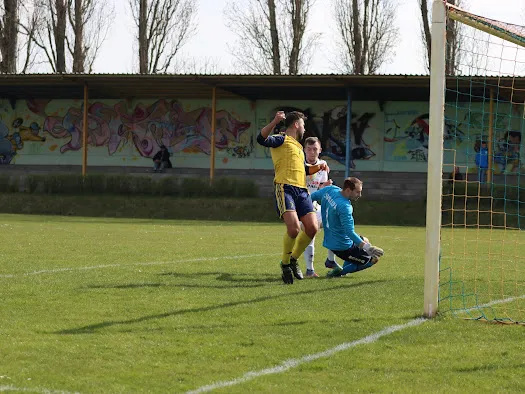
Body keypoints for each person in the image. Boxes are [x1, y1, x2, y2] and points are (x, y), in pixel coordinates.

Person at [257, 111, 327, 284]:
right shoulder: (281, 139)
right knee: (294, 229)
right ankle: (285, 263)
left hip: (302, 191)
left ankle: (294, 259)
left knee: (312, 228)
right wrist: (275, 121)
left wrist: (319, 167)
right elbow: (261, 139)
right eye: (303, 124)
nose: (304, 128)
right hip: (285, 188)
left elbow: (303, 170)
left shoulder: (298, 147)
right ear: (296, 125)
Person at [310, 177, 384, 278]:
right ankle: (338, 273)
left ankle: (332, 261)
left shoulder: (330, 189)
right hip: (342, 246)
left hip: (329, 239)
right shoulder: (345, 206)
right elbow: (349, 232)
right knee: (372, 259)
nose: (360, 195)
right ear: (348, 190)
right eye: (357, 192)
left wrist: (304, 214)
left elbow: (311, 197)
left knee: (365, 240)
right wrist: (368, 248)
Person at [303, 136, 335, 278]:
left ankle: (331, 260)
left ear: (320, 150)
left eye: (315, 149)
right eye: (309, 149)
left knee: (334, 223)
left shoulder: (323, 164)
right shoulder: (299, 163)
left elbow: (319, 187)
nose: (311, 152)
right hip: (301, 205)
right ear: (304, 150)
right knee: (310, 233)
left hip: (315, 205)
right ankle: (309, 270)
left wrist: (325, 186)